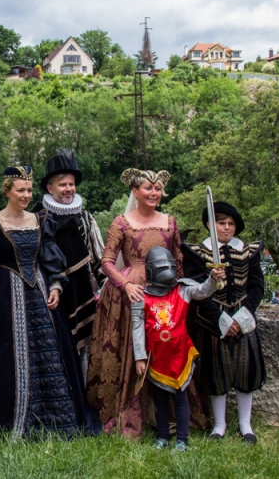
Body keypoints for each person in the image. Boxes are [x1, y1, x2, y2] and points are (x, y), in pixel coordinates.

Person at [0, 166, 99, 438]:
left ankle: (55, 420)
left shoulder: (40, 220)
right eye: (20, 190)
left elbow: (49, 258)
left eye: (29, 190)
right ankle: (7, 419)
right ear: (7, 191)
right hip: (6, 293)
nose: (26, 195)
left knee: (52, 354)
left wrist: (56, 285)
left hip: (39, 292)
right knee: (3, 354)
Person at [86, 168, 209, 437]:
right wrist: (126, 284)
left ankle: (169, 418)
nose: (154, 193)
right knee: (133, 351)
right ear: (135, 192)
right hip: (131, 292)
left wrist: (178, 298)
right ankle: (131, 415)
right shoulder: (121, 222)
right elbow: (106, 262)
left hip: (165, 292)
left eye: (157, 189)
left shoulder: (170, 221)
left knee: (165, 347)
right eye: (148, 188)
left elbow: (178, 262)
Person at [182, 201, 267, 444]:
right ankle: (219, 425)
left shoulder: (248, 251)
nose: (227, 228)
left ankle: (245, 425)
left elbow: (256, 287)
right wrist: (219, 318)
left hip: (243, 320)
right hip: (211, 323)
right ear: (210, 225)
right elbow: (196, 290)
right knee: (215, 373)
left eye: (231, 224)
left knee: (245, 372)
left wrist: (243, 316)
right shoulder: (198, 253)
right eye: (221, 223)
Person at [132, 247, 226, 452]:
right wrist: (140, 357)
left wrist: (212, 277)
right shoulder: (142, 296)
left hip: (180, 354)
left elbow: (203, 291)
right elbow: (137, 329)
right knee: (160, 400)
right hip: (157, 357)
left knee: (181, 399)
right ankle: (163, 437)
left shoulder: (183, 289)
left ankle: (182, 440)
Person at [31, 149, 105, 380]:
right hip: (49, 293)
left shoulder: (85, 217)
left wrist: (104, 287)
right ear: (49, 188)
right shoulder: (36, 218)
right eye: (63, 184)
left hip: (81, 290)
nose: (69, 189)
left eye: (71, 184)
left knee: (82, 349)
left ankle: (82, 400)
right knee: (52, 346)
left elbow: (98, 257)